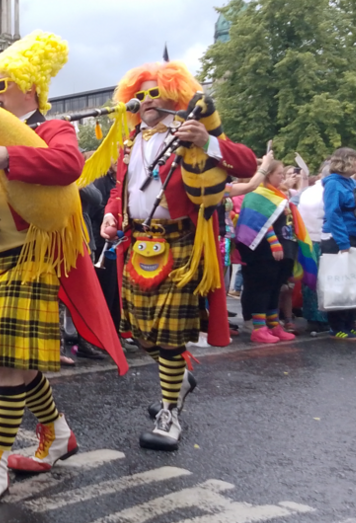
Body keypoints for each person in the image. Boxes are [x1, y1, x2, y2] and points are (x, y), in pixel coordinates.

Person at [0, 31, 127, 505]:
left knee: (8, 362)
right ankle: (58, 434)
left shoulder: (52, 128)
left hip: (33, 261)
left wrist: (9, 156)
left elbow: (68, 166)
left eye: (0, 86)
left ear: (29, 88)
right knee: (19, 363)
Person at [100, 60, 257, 450]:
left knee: (169, 337)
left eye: (155, 93)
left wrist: (208, 140)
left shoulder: (191, 134)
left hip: (180, 245)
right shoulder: (130, 141)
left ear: (174, 94)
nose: (146, 101)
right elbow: (123, 189)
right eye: (141, 94)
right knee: (141, 332)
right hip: (137, 245)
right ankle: (180, 379)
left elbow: (246, 164)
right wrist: (109, 213)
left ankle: (170, 412)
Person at [234, 155, 298, 343]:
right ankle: (259, 328)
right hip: (263, 252)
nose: (282, 177)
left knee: (275, 288)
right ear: (268, 175)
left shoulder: (278, 194)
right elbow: (260, 221)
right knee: (261, 287)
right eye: (279, 174)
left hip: (282, 249)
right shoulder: (257, 194)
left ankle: (273, 324)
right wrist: (274, 242)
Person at [319, 147, 356, 340]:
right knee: (340, 283)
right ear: (344, 161)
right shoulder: (334, 184)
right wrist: (343, 241)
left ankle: (351, 323)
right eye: (355, 161)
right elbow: (333, 213)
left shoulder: (352, 183)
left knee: (354, 282)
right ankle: (337, 326)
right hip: (341, 239)